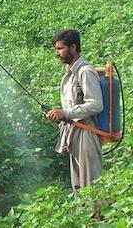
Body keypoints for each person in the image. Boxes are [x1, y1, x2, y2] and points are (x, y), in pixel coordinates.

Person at [46, 29, 103, 197]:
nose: (57, 53)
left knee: (92, 186)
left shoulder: (85, 72)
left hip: (86, 132)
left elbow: (95, 104)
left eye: (60, 49)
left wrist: (66, 113)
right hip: (74, 133)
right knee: (79, 188)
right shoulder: (69, 73)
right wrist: (60, 115)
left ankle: (99, 221)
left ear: (73, 47)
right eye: (56, 49)